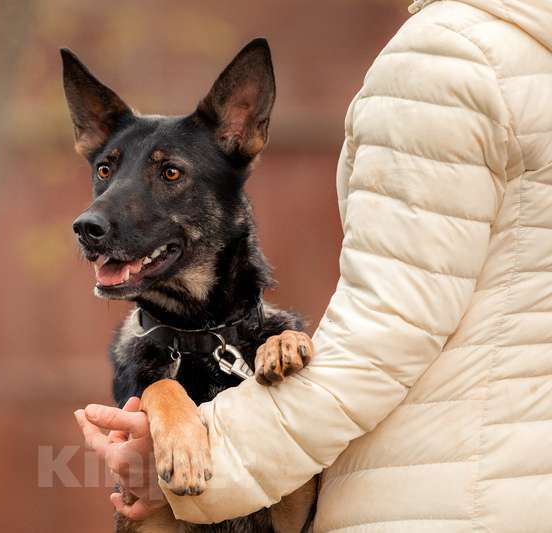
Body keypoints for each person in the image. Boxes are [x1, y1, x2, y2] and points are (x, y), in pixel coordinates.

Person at [76, 0, 552, 530]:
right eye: (105, 170)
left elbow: (388, 333)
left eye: (168, 175)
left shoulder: (447, 58)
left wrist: (204, 456)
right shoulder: (527, 58)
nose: (95, 216)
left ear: (243, 131)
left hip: (442, 490)